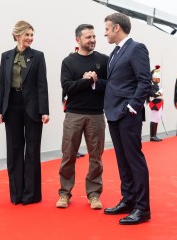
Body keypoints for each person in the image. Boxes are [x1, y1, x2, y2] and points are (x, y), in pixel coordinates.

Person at [102, 13, 151, 225]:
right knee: (123, 161)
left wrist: (132, 107)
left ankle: (142, 208)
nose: (104, 33)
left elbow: (144, 81)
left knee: (134, 160)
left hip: (127, 114)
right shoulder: (115, 52)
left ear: (117, 28)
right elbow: (116, 83)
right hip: (113, 114)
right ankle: (129, 200)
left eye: (106, 28)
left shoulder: (136, 48)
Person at [0, 20, 49, 205]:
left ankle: (31, 195)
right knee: (14, 150)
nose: (30, 38)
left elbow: (42, 85)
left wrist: (44, 110)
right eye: (27, 35)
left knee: (32, 150)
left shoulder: (38, 56)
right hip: (12, 106)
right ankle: (16, 194)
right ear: (17, 35)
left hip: (33, 108)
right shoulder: (6, 56)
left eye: (32, 35)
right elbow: (2, 84)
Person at [56, 24, 108, 210]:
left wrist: (95, 81)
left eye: (94, 36)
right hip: (73, 114)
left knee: (96, 157)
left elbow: (110, 85)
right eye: (88, 37)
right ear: (78, 40)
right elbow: (67, 87)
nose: (93, 40)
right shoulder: (68, 62)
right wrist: (85, 81)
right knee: (68, 155)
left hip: (96, 115)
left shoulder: (104, 60)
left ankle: (94, 194)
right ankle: (64, 193)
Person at [148, 65, 163, 142]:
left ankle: (155, 135)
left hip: (158, 103)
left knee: (156, 119)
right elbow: (153, 94)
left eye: (159, 78)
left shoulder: (157, 86)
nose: (158, 79)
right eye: (157, 78)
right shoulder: (153, 86)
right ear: (154, 79)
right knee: (154, 119)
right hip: (155, 104)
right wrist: (159, 93)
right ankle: (152, 136)